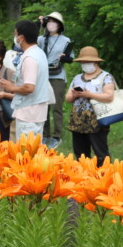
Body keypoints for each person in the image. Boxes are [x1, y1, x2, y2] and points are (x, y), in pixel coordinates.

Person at [0, 19, 53, 142]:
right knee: (34, 150)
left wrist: (12, 88)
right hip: (37, 111)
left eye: (15, 34)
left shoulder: (30, 58)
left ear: (21, 38)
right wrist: (13, 84)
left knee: (25, 152)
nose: (14, 37)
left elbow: (29, 87)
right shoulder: (39, 53)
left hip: (29, 113)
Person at [64, 46, 116, 163]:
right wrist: (75, 94)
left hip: (97, 121)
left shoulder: (106, 77)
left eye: (88, 61)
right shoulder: (77, 78)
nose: (85, 64)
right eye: (83, 62)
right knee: (81, 155)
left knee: (101, 153)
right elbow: (68, 98)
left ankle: (104, 176)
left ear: (95, 62)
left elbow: (109, 96)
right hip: (78, 121)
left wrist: (90, 94)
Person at [38, 12, 72, 148]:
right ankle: (45, 135)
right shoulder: (41, 39)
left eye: (55, 21)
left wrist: (64, 58)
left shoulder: (66, 40)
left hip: (57, 76)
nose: (52, 24)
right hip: (43, 75)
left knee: (56, 107)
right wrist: (38, 24)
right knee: (43, 106)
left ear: (59, 25)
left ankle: (57, 136)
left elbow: (71, 58)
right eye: (49, 21)